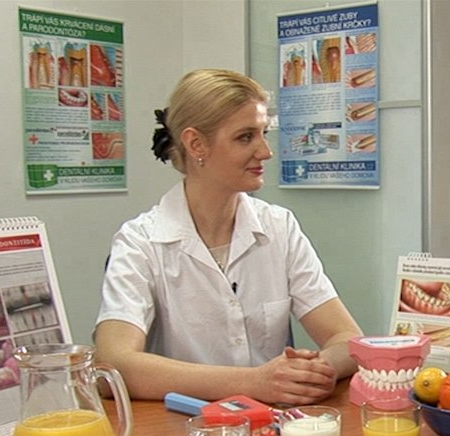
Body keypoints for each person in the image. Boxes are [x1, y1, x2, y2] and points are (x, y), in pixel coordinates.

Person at [95, 68, 363, 406]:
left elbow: (348, 339)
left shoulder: (278, 227)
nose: (265, 151)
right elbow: (112, 365)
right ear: (196, 144)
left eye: (264, 133)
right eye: (245, 137)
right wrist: (254, 383)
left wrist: (305, 374)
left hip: (272, 424)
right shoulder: (140, 241)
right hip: (186, 429)